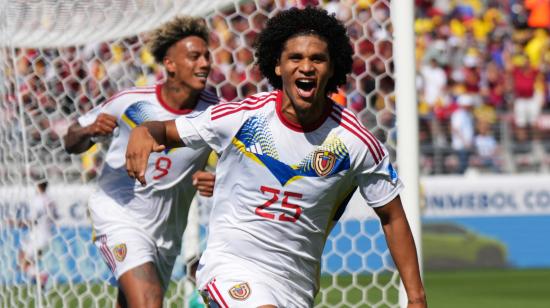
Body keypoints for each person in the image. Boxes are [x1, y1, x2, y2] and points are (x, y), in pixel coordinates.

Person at [125, 7, 426, 308]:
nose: (306, 67)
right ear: (278, 66)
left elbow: (392, 215)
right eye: (295, 58)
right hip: (230, 265)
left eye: (317, 59)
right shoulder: (243, 117)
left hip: (295, 284)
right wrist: (145, 132)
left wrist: (416, 298)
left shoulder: (355, 142)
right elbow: (165, 130)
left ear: (332, 68)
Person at [63, 16, 218, 308]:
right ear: (170, 64)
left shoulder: (214, 112)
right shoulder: (130, 102)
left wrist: (219, 179)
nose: (205, 63)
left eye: (207, 56)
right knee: (148, 302)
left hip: (167, 231)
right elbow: (70, 141)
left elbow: (236, 163)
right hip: (119, 214)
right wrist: (87, 131)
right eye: (195, 56)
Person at [18, 180, 58, 290]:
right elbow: (55, 217)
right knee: (26, 261)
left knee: (23, 261)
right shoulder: (50, 200)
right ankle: (41, 281)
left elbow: (32, 220)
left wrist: (19, 223)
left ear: (38, 186)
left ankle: (43, 277)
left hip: (38, 237)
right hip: (46, 236)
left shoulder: (37, 200)